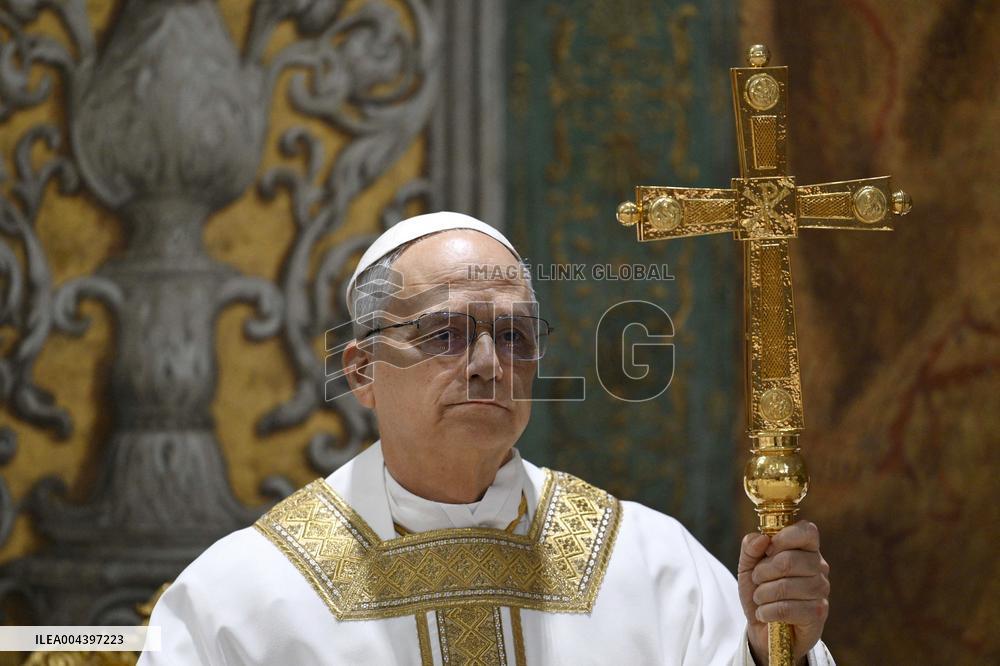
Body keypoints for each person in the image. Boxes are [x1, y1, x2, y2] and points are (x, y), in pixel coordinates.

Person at [139, 212, 832, 665]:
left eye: (514, 335)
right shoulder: (250, 591)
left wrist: (774, 649)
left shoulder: (648, 565)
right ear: (361, 371)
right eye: (445, 334)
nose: (486, 363)